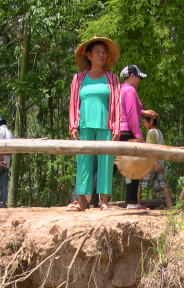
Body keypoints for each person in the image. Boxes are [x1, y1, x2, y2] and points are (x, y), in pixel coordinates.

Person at [68, 37, 121, 211]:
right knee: (84, 161)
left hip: (106, 125)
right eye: (97, 51)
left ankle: (104, 201)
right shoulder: (79, 79)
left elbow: (116, 103)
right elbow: (74, 102)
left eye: (104, 52)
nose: (101, 55)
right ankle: (81, 201)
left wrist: (116, 127)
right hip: (84, 124)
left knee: (106, 161)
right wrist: (73, 125)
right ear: (89, 55)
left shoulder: (112, 79)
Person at [119, 64, 156, 203]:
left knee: (114, 166)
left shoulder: (121, 90)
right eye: (139, 77)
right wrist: (138, 134)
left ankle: (91, 197)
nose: (140, 81)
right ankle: (132, 202)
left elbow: (129, 109)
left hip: (120, 132)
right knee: (134, 166)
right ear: (132, 76)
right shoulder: (130, 90)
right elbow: (130, 114)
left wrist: (143, 112)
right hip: (128, 132)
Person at [138, 114, 173, 209]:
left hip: (153, 163)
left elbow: (151, 149)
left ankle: (138, 204)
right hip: (160, 162)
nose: (144, 125)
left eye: (145, 122)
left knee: (141, 183)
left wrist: (154, 163)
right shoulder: (159, 133)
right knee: (163, 184)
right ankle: (170, 205)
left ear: (151, 121)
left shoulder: (151, 132)